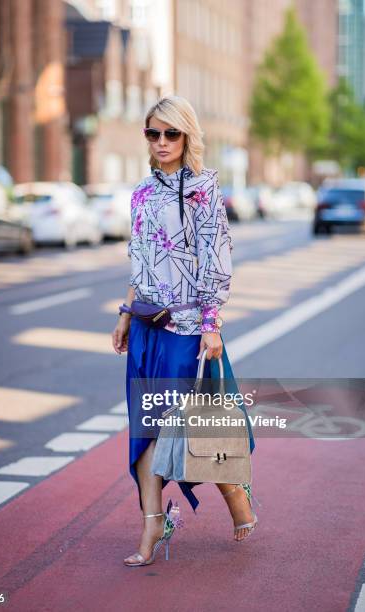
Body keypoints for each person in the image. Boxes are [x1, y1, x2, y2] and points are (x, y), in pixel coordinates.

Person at [112, 95, 258, 567]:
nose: (161, 142)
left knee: (185, 426)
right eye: (153, 133)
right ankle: (154, 523)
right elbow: (140, 259)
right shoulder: (139, 193)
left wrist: (212, 325)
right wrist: (124, 313)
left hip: (188, 328)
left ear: (188, 136)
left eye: (170, 133)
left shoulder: (203, 191)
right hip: (146, 328)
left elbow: (217, 262)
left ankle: (233, 491)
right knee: (145, 431)